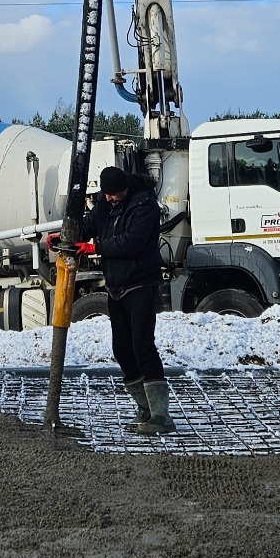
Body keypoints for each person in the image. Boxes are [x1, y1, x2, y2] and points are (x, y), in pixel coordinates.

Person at [81, 165, 173, 435]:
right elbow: (89, 225)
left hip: (141, 283)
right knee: (122, 348)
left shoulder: (144, 205)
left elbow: (131, 242)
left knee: (142, 345)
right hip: (116, 286)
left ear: (126, 188)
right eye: (107, 194)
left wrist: (95, 248)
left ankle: (161, 415)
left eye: (116, 194)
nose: (111, 198)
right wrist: (68, 237)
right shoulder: (104, 203)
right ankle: (145, 407)